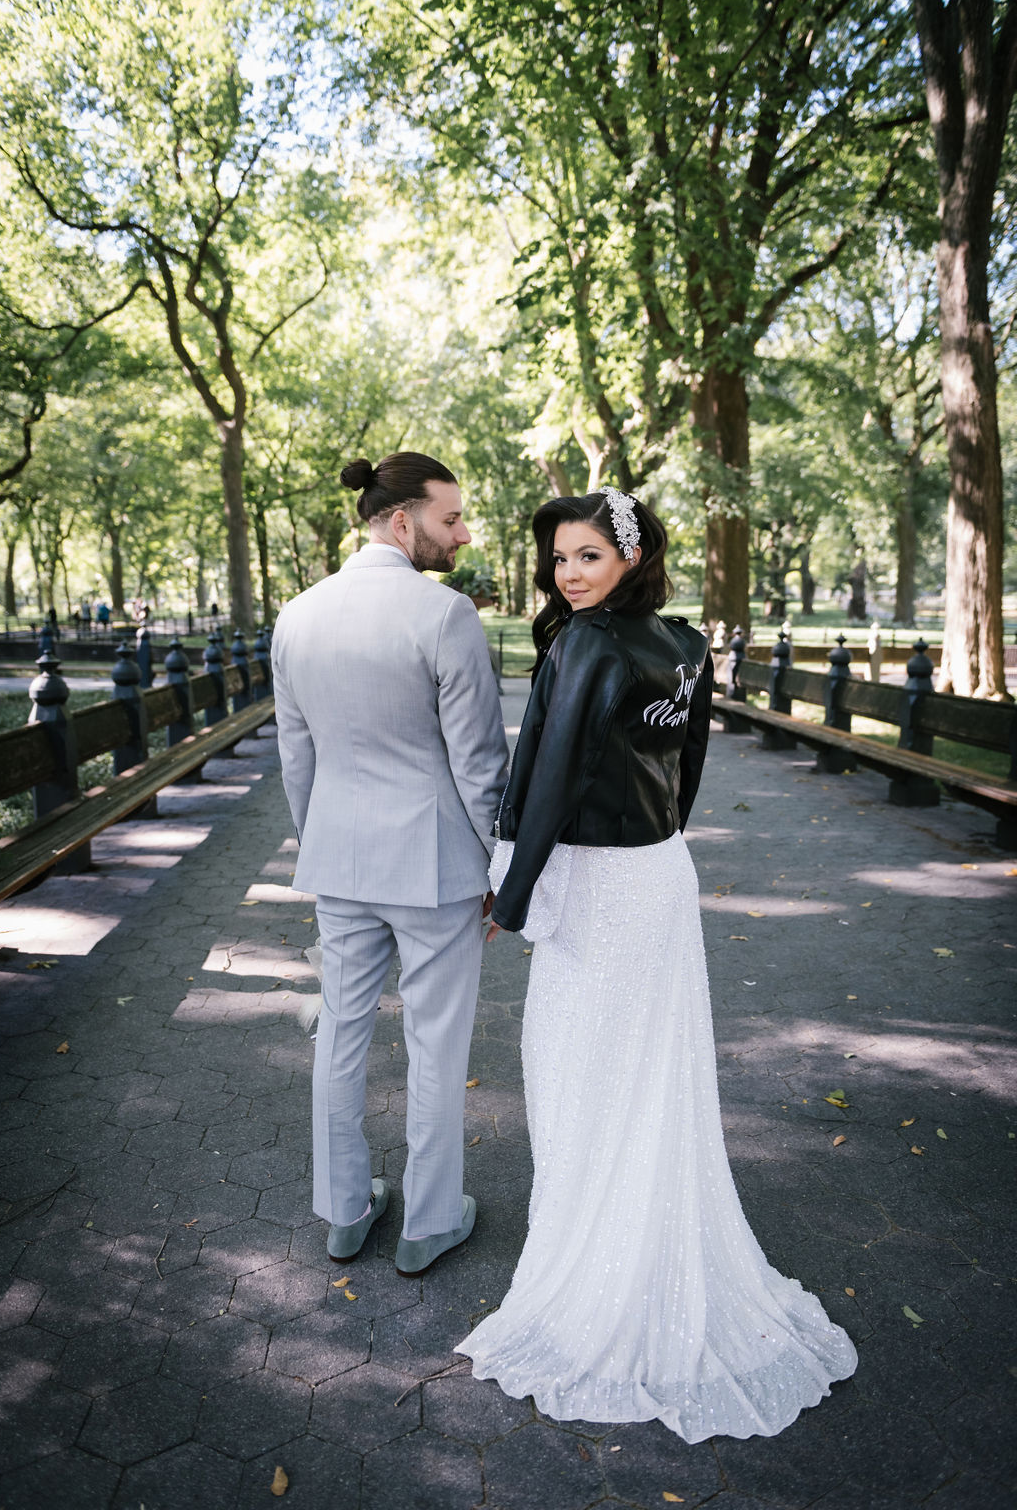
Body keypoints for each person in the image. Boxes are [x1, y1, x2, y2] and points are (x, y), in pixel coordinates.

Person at [455, 488, 857, 1442]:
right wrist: (665, 838)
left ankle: (598, 1273)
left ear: (629, 559)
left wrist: (509, 900)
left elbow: (545, 777)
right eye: (560, 559)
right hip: (660, 873)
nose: (569, 574)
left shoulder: (585, 645)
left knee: (577, 1066)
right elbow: (693, 763)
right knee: (647, 1070)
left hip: (600, 884)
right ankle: (640, 1237)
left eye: (588, 556)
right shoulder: (681, 641)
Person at [271, 452, 509, 1277]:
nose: (464, 533)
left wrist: (324, 840)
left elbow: (295, 759)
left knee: (340, 1032)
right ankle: (430, 1222)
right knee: (437, 1045)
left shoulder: (296, 616)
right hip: (437, 865)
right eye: (451, 518)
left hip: (339, 861)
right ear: (402, 520)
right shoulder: (445, 616)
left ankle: (343, 1212)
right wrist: (500, 869)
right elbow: (480, 765)